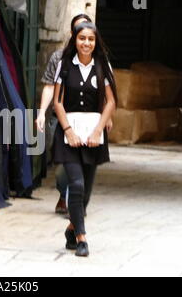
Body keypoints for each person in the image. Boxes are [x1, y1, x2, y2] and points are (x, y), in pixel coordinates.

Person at [36, 14, 112, 216]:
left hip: (90, 122)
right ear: (73, 35)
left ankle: (76, 214)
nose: (86, 40)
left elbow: (107, 96)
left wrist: (106, 117)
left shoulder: (100, 63)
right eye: (81, 34)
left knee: (85, 174)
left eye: (90, 36)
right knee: (64, 167)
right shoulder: (59, 59)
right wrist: (42, 112)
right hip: (62, 119)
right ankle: (66, 195)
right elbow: (50, 87)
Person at [52, 21, 117, 257]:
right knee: (76, 185)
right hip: (69, 134)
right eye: (82, 39)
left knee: (85, 193)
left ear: (96, 42)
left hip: (93, 135)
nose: (86, 43)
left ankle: (72, 228)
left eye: (90, 39)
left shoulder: (102, 67)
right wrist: (68, 129)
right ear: (75, 40)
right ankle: (82, 239)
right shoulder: (65, 65)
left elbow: (111, 102)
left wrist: (98, 130)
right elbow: (57, 101)